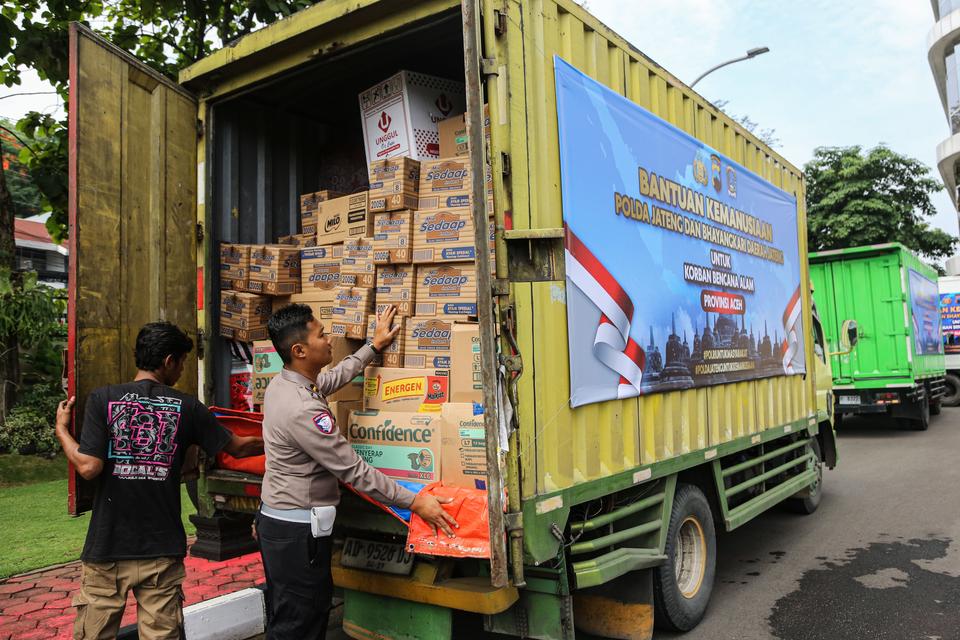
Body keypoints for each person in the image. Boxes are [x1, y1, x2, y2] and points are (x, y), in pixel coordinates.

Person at [258, 304, 457, 639]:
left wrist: (372, 347)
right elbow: (354, 471)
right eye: (322, 335)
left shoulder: (288, 384)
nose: (330, 339)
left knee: (297, 613)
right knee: (300, 622)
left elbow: (331, 379)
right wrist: (415, 502)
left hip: (285, 525)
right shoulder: (302, 408)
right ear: (300, 350)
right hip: (298, 533)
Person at [54, 321, 264, 640]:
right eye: (182, 363)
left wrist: (61, 430)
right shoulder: (188, 407)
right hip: (161, 548)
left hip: (108, 546)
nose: (181, 371)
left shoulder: (102, 399)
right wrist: (284, 434)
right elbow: (238, 447)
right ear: (169, 361)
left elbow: (88, 467)